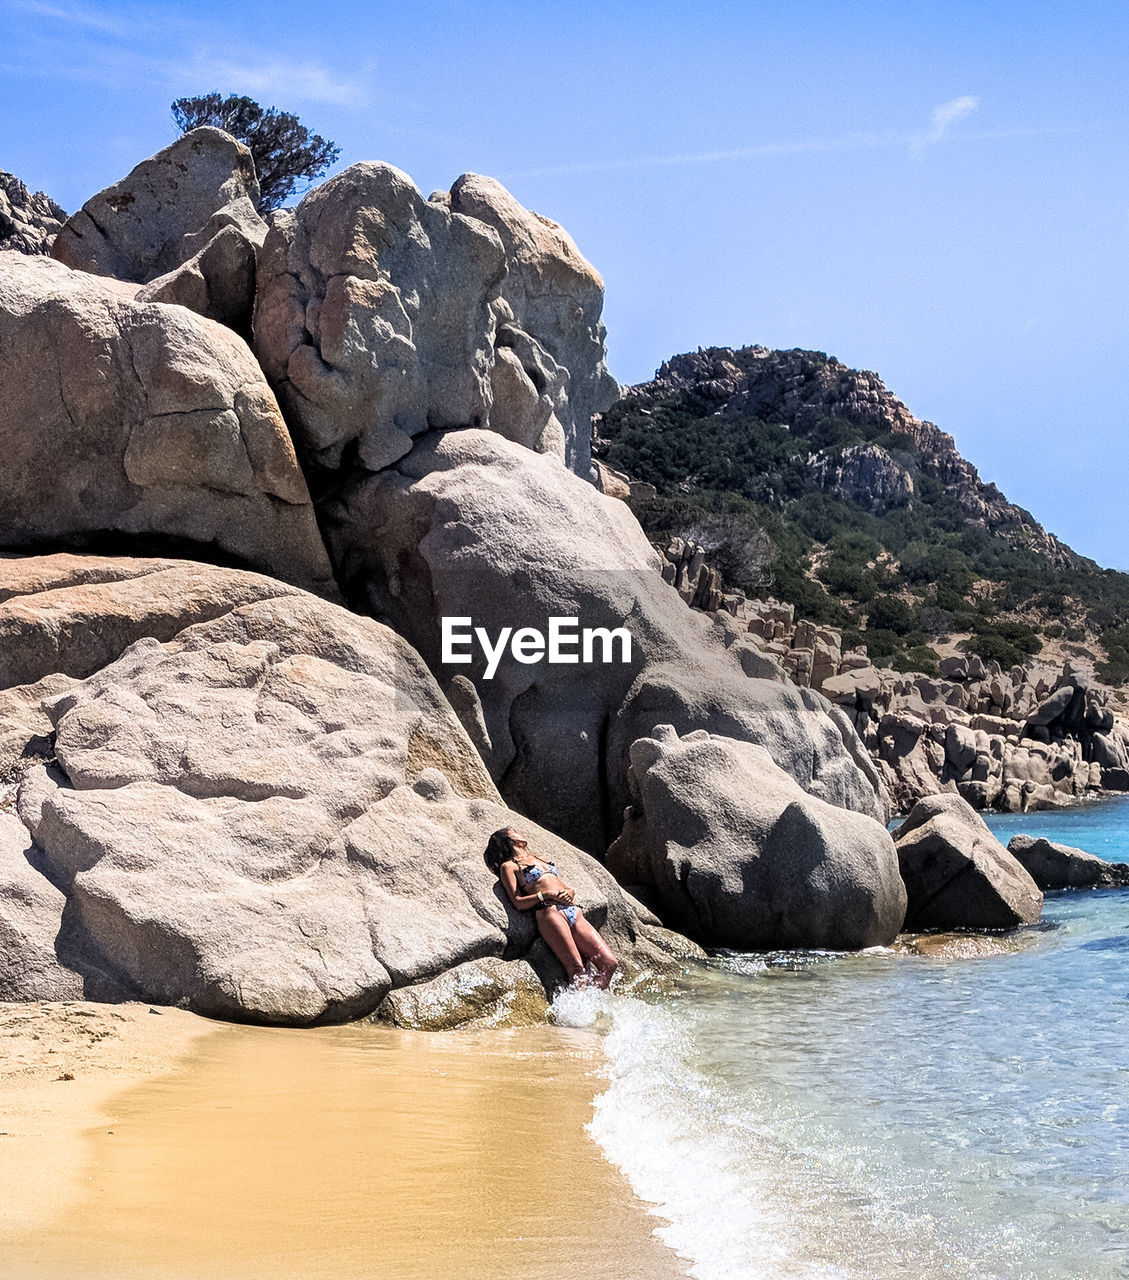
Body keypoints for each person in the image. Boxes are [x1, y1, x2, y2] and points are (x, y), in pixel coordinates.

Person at [483, 827, 618, 989]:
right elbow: (518, 901)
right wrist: (545, 894)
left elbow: (562, 885)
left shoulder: (539, 858)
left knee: (609, 963)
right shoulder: (509, 867)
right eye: (515, 831)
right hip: (550, 913)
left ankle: (593, 1003)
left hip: (573, 911)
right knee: (577, 969)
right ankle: (578, 1010)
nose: (521, 832)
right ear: (510, 840)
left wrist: (570, 891)